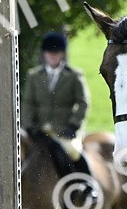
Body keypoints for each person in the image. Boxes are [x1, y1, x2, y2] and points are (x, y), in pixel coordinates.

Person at [20, 30, 92, 185]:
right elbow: (27, 103)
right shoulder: (34, 75)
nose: (52, 56)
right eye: (49, 53)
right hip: (39, 130)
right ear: (44, 54)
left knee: (73, 151)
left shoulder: (74, 75)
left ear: (62, 54)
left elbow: (83, 102)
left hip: (65, 131)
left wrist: (73, 125)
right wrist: (29, 126)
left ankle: (88, 186)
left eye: (56, 53)